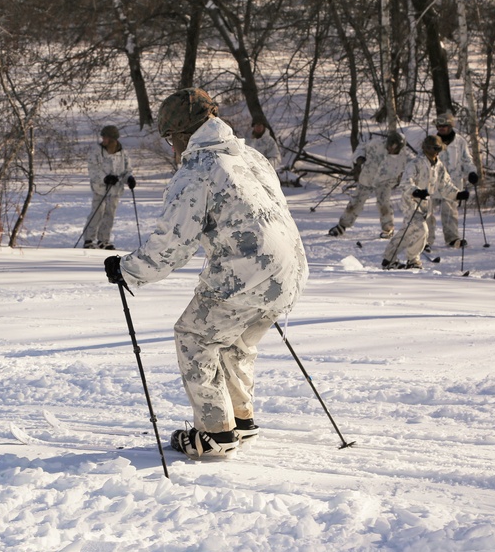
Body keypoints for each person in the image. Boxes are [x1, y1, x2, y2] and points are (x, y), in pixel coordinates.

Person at [103, 87, 309, 460]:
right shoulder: (249, 156)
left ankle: (215, 434)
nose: (171, 148)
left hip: (247, 273)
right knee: (235, 342)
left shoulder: (199, 170)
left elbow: (172, 244)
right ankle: (241, 419)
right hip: (289, 271)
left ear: (183, 133)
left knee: (195, 337)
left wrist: (127, 269)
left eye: (170, 139)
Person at [382, 135, 467, 269]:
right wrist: (415, 191)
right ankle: (413, 260)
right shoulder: (415, 163)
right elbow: (405, 183)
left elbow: (445, 185)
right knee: (422, 229)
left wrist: (457, 194)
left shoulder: (439, 165)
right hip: (411, 201)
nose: (437, 152)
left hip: (426, 203)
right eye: (435, 149)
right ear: (427, 148)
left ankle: (389, 258)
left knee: (409, 231)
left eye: (439, 149)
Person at [328, 131, 411, 239]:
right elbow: (361, 147)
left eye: (395, 148)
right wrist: (359, 158)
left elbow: (413, 167)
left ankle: (388, 229)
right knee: (356, 202)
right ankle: (342, 225)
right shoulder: (375, 144)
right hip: (367, 177)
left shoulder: (404, 156)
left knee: (384, 204)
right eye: (390, 145)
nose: (391, 148)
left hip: (385, 181)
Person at [428, 111, 479, 251]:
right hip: (434, 181)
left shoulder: (460, 141)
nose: (441, 128)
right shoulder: (431, 140)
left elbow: (466, 159)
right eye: (439, 126)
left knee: (450, 210)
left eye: (444, 126)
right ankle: (426, 240)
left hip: (453, 182)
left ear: (450, 126)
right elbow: (423, 159)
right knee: (427, 211)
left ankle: (452, 239)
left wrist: (471, 172)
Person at [82, 125, 135, 250]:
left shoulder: (123, 154)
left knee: (110, 214)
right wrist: (105, 178)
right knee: (97, 213)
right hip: (100, 189)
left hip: (115, 190)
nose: (103, 140)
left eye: (105, 137)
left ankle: (104, 240)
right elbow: (93, 169)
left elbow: (127, 170)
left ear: (113, 139)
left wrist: (129, 179)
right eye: (103, 137)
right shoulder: (97, 151)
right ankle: (89, 239)